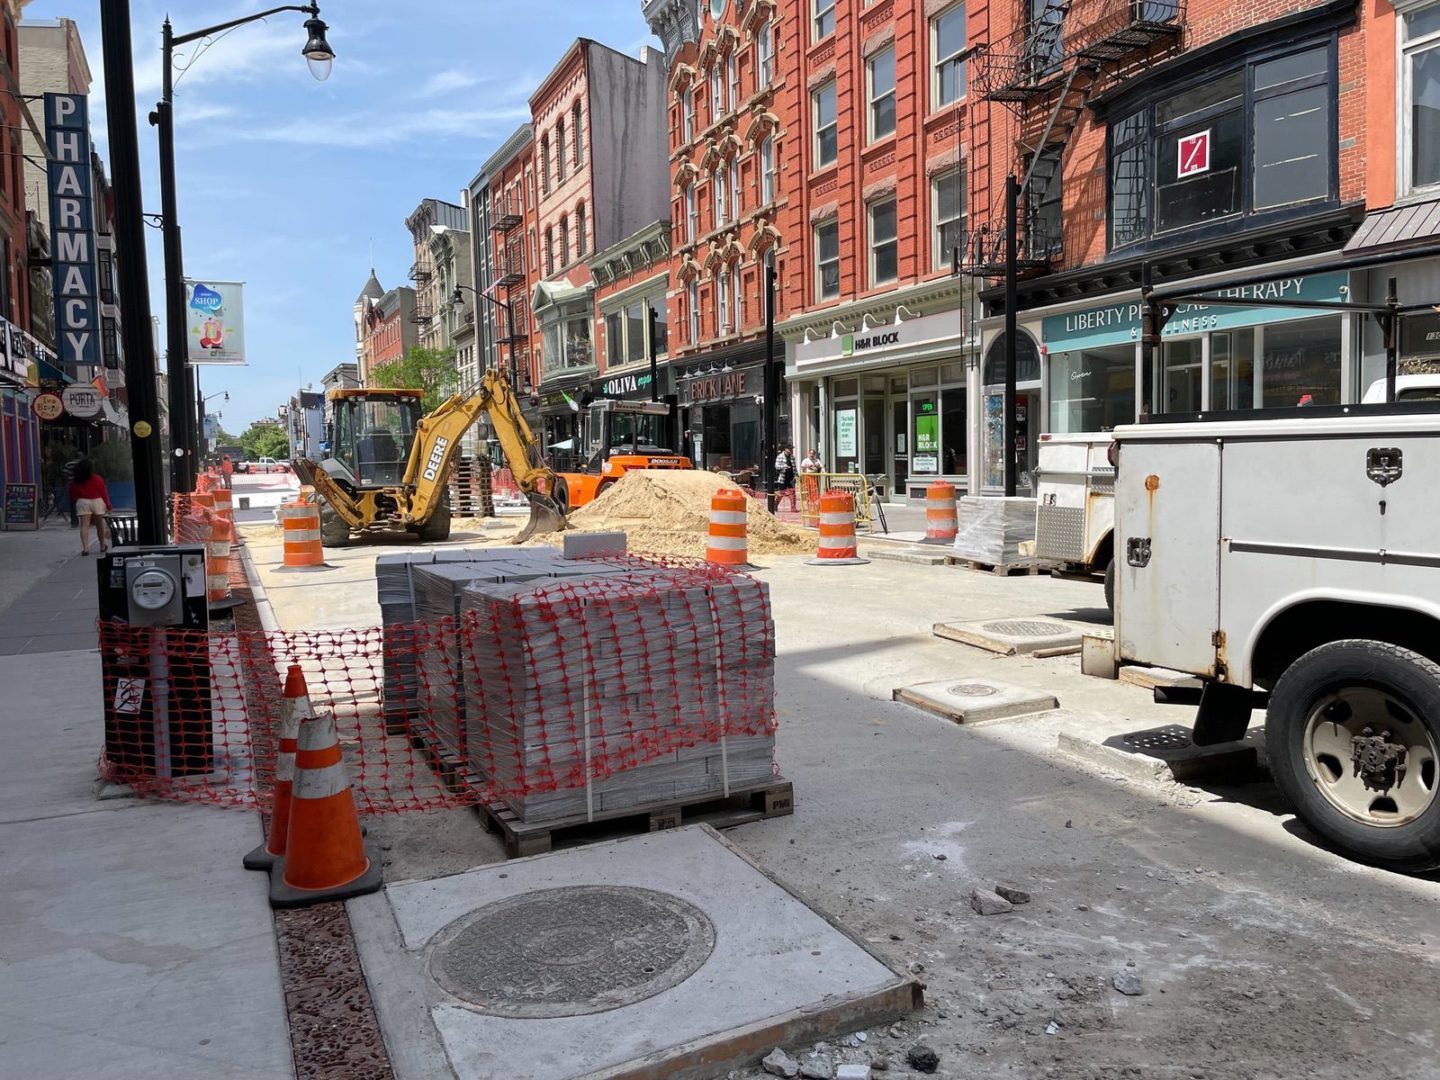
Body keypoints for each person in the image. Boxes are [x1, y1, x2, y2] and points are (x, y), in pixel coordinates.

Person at [67, 458, 112, 556]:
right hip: (97, 501)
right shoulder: (97, 479)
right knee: (100, 525)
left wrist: (78, 499)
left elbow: (72, 494)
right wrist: (108, 505)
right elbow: (103, 493)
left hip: (83, 502)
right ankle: (102, 545)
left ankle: (85, 548)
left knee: (84, 526)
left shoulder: (77, 480)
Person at [773, 442, 798, 512]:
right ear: (786, 449)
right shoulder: (780, 456)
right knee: (781, 493)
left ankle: (793, 508)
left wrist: (797, 475)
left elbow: (794, 467)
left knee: (792, 493)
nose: (791, 450)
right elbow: (776, 466)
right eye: (790, 449)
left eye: (791, 449)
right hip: (783, 477)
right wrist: (784, 467)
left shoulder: (792, 457)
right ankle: (775, 505)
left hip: (791, 477)